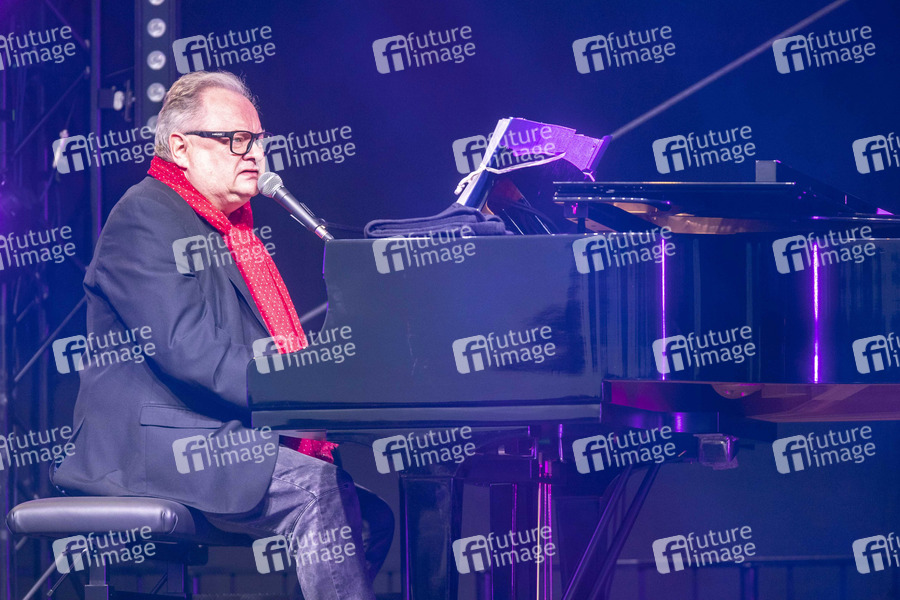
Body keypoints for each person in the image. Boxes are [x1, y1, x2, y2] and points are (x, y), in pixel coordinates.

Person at [51, 70, 392, 599]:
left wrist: (331, 385)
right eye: (235, 139)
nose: (253, 153)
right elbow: (191, 350)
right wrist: (301, 390)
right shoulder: (143, 216)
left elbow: (255, 349)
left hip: (211, 430)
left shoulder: (232, 231)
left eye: (257, 139)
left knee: (370, 518)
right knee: (317, 490)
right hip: (153, 445)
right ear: (181, 148)